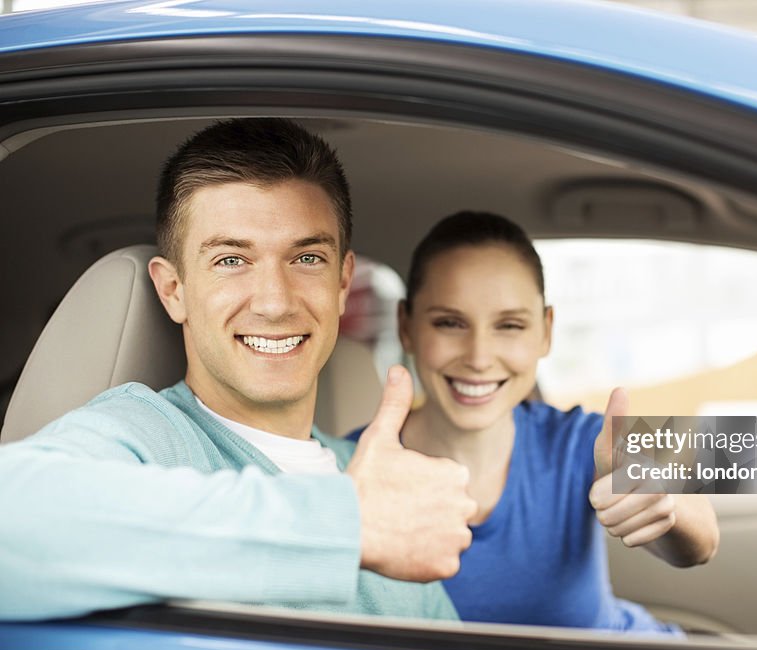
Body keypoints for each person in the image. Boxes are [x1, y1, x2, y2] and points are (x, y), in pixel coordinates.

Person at [0, 119, 476, 621]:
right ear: (173, 290)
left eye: (307, 258)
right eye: (231, 260)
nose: (274, 303)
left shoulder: (375, 478)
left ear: (342, 283)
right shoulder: (144, 435)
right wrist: (346, 528)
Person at [350, 211, 720, 632]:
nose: (479, 356)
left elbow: (702, 539)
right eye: (450, 323)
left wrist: (663, 504)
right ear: (406, 327)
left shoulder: (583, 438)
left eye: (509, 325)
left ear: (545, 332)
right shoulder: (357, 468)